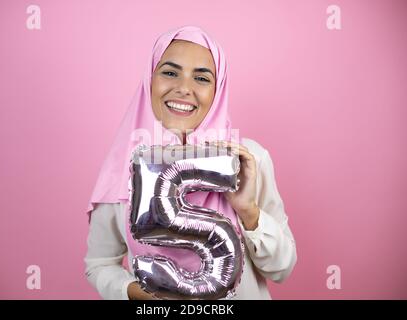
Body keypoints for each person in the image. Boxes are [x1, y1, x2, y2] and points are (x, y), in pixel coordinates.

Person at [84, 25, 297, 300]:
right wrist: (135, 293)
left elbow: (282, 269)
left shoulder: (246, 161)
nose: (184, 89)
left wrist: (249, 211)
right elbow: (99, 265)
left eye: (202, 78)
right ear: (150, 78)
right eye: (170, 73)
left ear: (218, 89)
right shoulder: (122, 166)